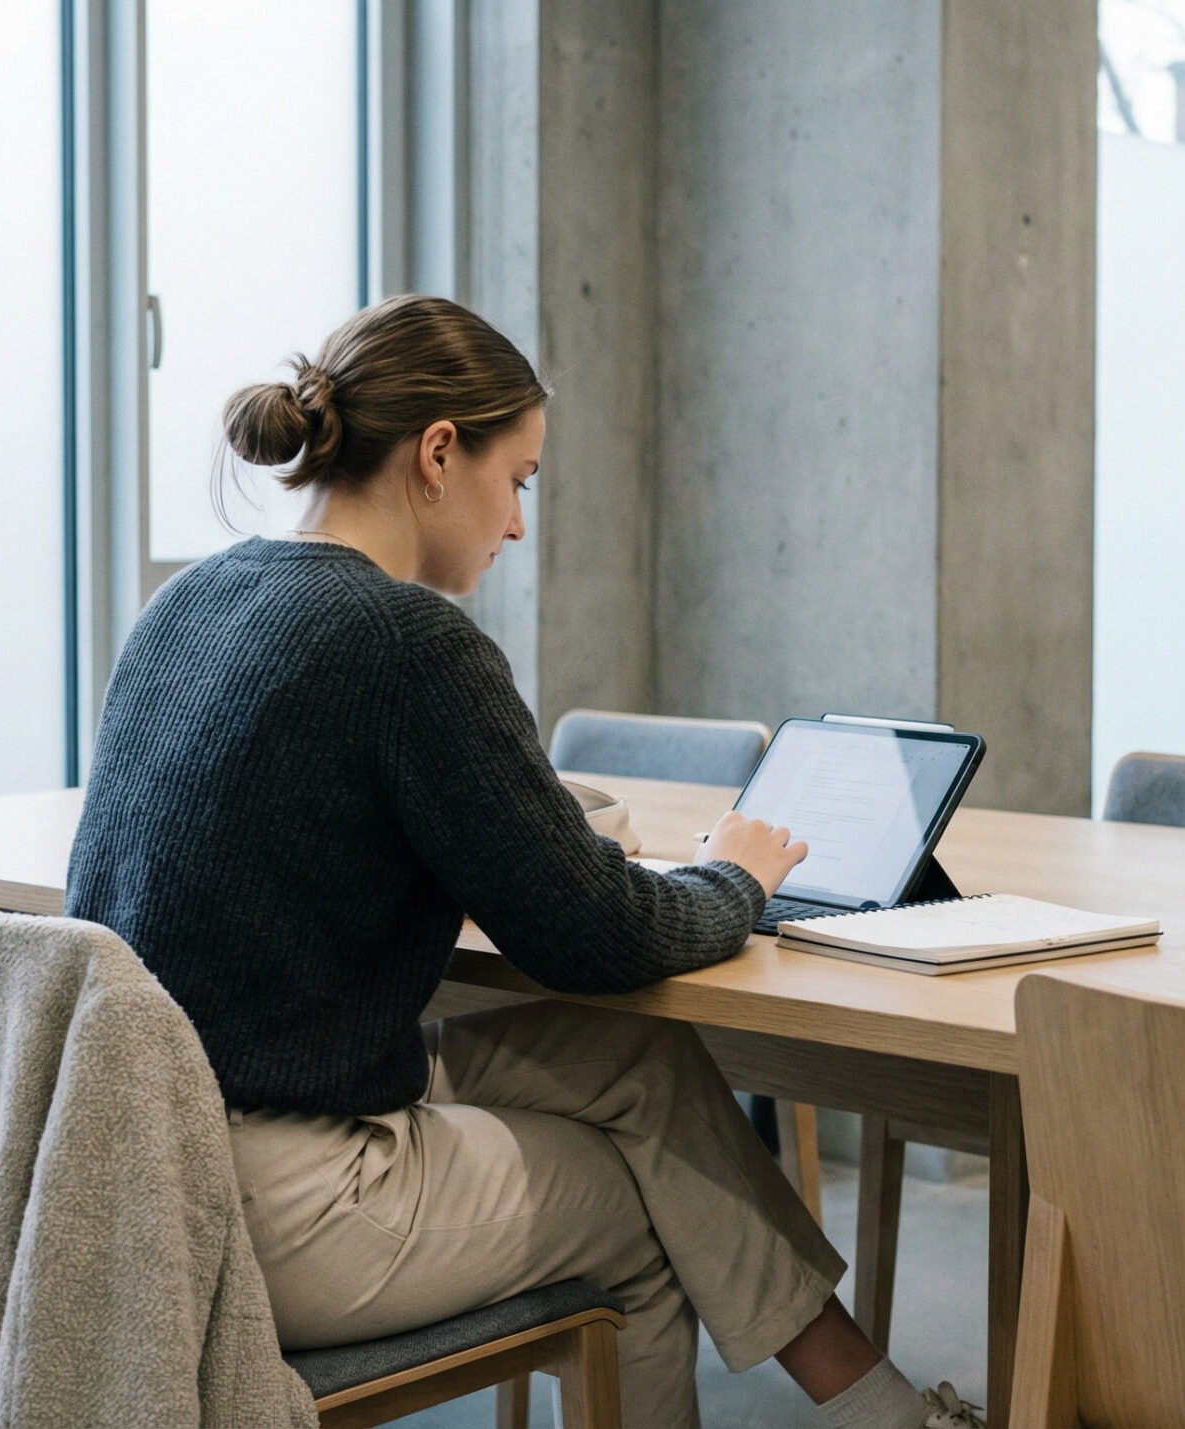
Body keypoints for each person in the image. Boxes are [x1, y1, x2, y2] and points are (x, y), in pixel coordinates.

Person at [63, 295, 972, 1429]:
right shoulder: (408, 641)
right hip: (277, 1189)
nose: (518, 526)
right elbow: (596, 937)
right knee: (639, 1227)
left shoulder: (188, 601)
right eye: (521, 481)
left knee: (631, 1060)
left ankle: (881, 1408)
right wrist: (734, 878)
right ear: (440, 454)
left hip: (142, 1147)